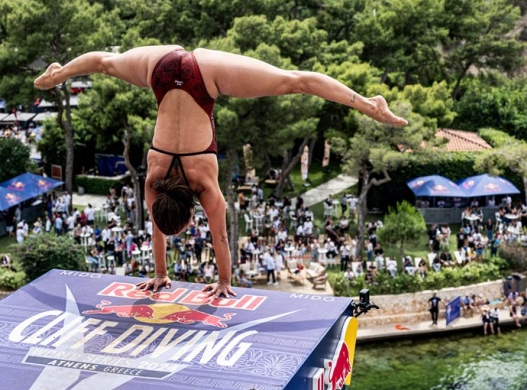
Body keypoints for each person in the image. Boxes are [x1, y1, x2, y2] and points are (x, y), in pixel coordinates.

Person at [35, 46, 408, 298]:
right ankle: (58, 74)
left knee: (294, 83)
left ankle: (371, 106)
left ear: (189, 211)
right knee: (105, 62)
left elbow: (220, 239)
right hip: (163, 67)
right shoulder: (153, 178)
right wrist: (162, 274)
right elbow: (159, 227)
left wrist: (224, 282)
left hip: (204, 77)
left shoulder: (205, 185)